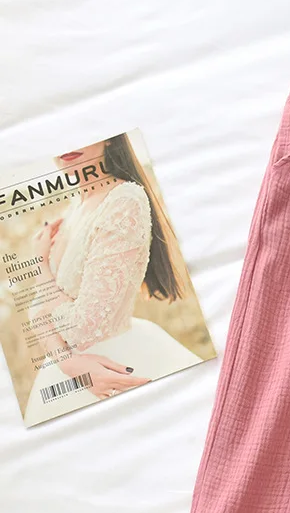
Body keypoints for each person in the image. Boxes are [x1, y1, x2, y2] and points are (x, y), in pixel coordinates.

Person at [23, 134, 201, 425]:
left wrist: (41, 263)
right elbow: (36, 312)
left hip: (118, 359)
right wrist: (69, 364)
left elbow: (82, 329)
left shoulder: (123, 201)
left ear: (109, 137)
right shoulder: (73, 208)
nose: (67, 144)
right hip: (70, 372)